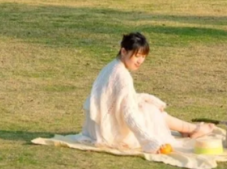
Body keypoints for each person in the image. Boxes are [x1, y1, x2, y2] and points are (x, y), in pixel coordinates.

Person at [82, 32, 216, 154]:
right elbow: (129, 115)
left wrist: (148, 98)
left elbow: (119, 99)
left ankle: (189, 129)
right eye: (137, 56)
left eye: (143, 56)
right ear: (123, 51)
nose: (140, 61)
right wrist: (149, 143)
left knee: (148, 106)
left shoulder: (112, 66)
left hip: (96, 129)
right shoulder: (122, 76)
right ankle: (192, 129)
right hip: (110, 134)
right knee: (151, 111)